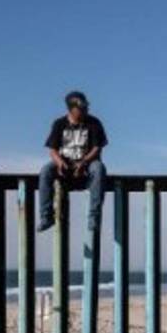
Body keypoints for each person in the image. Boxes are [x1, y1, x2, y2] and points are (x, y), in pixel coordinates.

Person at [38, 91, 108, 234]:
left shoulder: (94, 123)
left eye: (86, 107)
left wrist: (83, 162)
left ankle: (94, 217)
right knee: (45, 171)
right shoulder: (59, 124)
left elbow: (97, 148)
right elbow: (52, 149)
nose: (86, 110)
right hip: (65, 162)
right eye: (82, 108)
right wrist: (59, 162)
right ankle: (46, 216)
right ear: (71, 109)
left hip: (88, 163)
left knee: (99, 168)